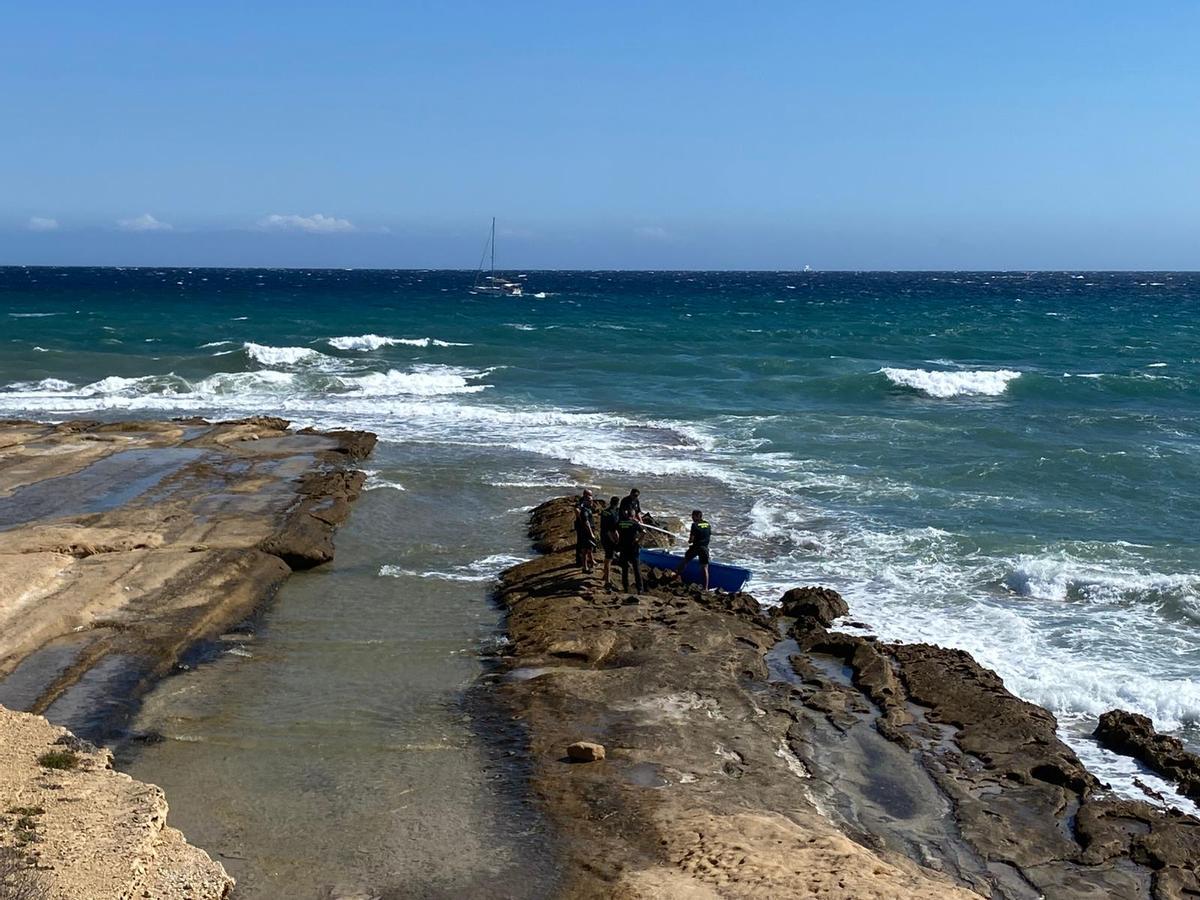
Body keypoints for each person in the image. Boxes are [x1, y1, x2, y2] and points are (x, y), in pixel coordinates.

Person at [677, 509, 712, 590]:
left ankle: (676, 575)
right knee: (705, 568)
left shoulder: (694, 525)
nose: (692, 518)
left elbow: (691, 540)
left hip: (696, 547)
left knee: (685, 560)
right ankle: (706, 588)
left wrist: (689, 541)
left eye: (693, 516)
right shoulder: (707, 524)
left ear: (697, 516)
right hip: (705, 548)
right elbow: (708, 535)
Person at [616, 506, 644, 594]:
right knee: (636, 569)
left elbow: (614, 530)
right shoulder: (635, 523)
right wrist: (638, 541)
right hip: (633, 548)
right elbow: (644, 532)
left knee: (625, 569)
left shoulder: (621, 523)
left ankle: (626, 587)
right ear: (633, 515)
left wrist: (618, 540)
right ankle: (640, 589)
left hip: (623, 548)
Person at [599, 496, 621, 590]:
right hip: (609, 537)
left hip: (603, 535)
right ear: (617, 503)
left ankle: (605, 575)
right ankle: (607, 582)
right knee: (609, 558)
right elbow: (611, 530)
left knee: (607, 557)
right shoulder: (613, 514)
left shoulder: (605, 511)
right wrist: (615, 540)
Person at [574, 489, 597, 573]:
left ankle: (591, 561)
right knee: (583, 547)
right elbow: (577, 511)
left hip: (587, 528)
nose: (591, 499)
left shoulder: (587, 506)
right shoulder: (582, 505)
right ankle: (582, 564)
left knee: (589, 547)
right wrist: (580, 520)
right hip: (583, 529)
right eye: (589, 496)